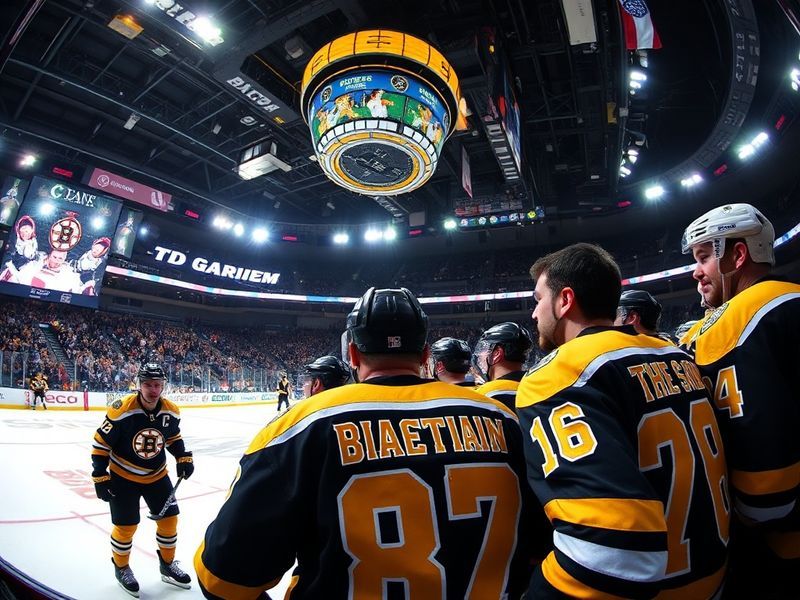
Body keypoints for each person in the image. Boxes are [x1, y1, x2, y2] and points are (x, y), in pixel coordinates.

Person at [195, 287, 542, 599]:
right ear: (424, 354)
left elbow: (222, 577)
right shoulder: (503, 419)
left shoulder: (299, 428)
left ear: (352, 353)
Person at [518, 242, 729, 598]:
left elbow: (611, 551)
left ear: (565, 300)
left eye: (539, 299)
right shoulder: (677, 355)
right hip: (714, 574)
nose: (534, 313)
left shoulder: (561, 373)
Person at [680, 203, 799, 597]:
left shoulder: (734, 319)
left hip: (780, 541)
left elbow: (767, 492)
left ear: (738, 254)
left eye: (702, 257)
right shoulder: (791, 298)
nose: (695, 272)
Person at [91, 362, 194, 597]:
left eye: (157, 385)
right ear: (139, 385)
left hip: (157, 476)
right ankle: (121, 567)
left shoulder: (171, 410)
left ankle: (167, 565)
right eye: (147, 384)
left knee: (169, 522)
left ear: (163, 386)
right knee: (126, 526)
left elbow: (173, 437)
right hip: (123, 477)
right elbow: (100, 444)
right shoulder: (122, 410)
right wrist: (99, 474)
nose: (153, 390)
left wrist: (182, 456)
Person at [472, 322, 533, 410]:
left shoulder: (482, 396)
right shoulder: (537, 386)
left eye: (484, 348)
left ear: (497, 354)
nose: (480, 354)